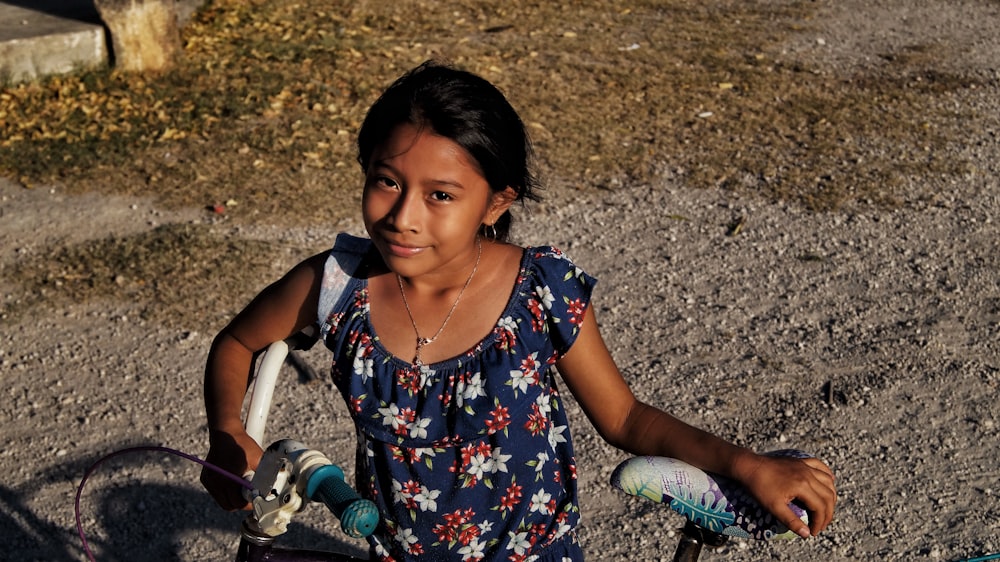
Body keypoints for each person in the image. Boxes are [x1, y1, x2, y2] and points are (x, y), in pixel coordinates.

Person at [200, 60, 836, 561]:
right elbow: (235, 343)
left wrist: (750, 466)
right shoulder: (336, 284)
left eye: (441, 194)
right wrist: (228, 434)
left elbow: (626, 418)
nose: (403, 216)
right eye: (386, 181)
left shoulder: (538, 290)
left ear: (495, 204)